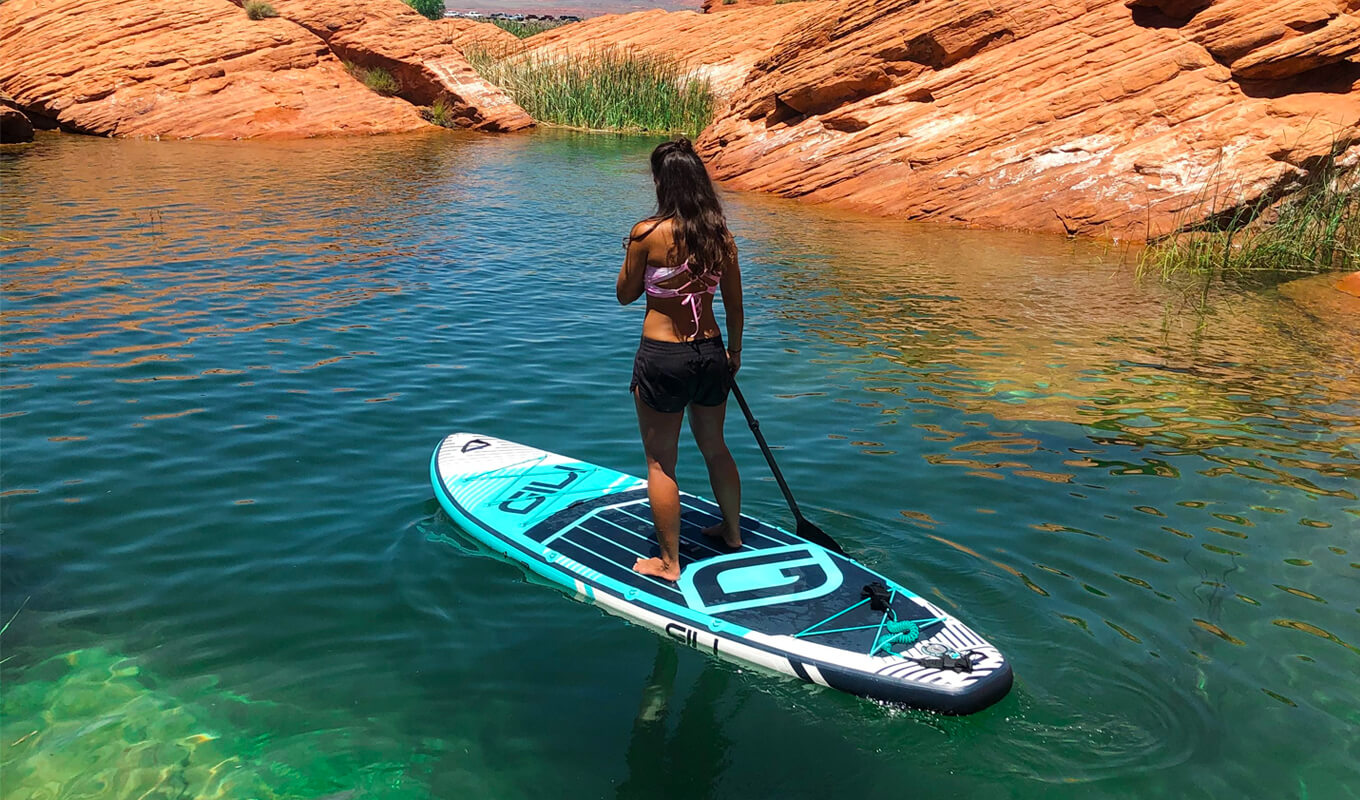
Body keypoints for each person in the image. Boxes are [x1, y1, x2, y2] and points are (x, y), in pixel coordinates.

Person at [616, 138, 744, 582]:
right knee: (715, 447)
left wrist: (633, 256)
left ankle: (669, 563)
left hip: (663, 357)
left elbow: (624, 295)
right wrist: (734, 353)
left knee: (660, 463)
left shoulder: (646, 233)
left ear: (660, 181)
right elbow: (735, 305)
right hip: (711, 353)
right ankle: (731, 532)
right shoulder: (720, 235)